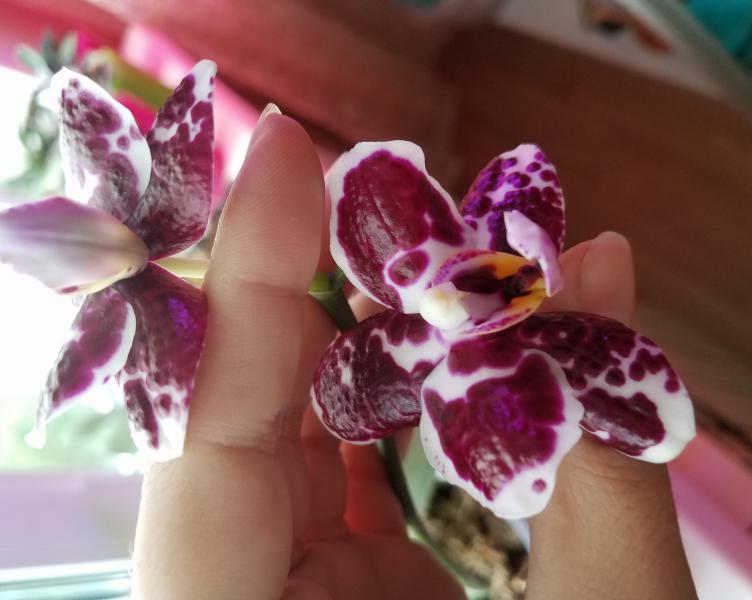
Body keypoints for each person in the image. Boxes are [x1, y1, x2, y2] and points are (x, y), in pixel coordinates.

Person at [131, 110, 698, 599]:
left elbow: (519, 173)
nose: (459, 297)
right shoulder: (402, 356)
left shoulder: (493, 290)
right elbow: (342, 399)